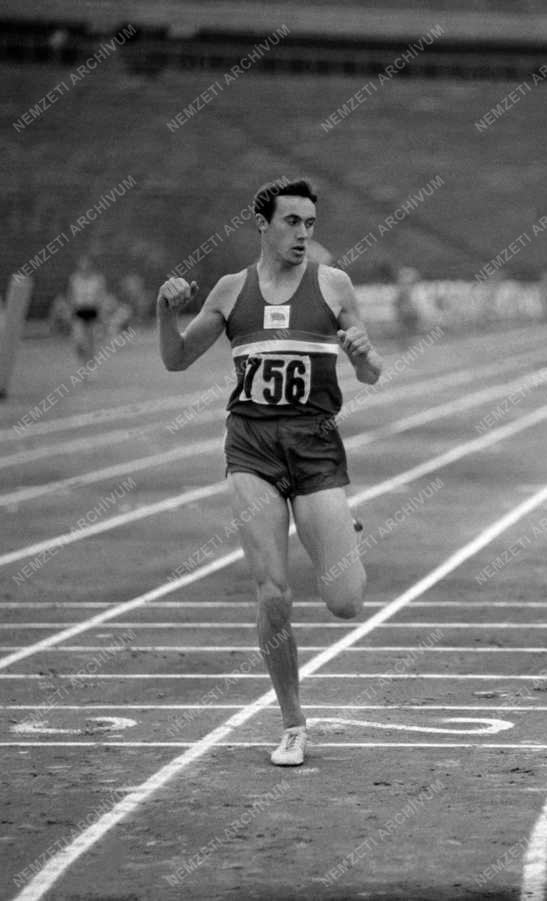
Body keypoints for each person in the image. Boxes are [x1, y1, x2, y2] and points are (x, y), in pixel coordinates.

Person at [157, 178, 383, 766]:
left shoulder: (334, 285)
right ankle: (292, 722)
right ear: (262, 223)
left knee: (346, 602)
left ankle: (338, 525)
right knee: (273, 593)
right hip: (252, 447)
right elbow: (176, 358)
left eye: (310, 223)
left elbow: (373, 373)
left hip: (315, 447)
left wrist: (363, 355)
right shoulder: (232, 291)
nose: (303, 234)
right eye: (292, 222)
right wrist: (163, 311)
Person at [67, 255, 106, 364]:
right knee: (78, 339)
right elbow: (70, 296)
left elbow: (101, 296)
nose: (84, 267)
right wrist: (70, 311)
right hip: (79, 310)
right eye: (82, 264)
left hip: (92, 310)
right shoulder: (74, 279)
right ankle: (81, 359)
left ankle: (90, 363)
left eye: (86, 264)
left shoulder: (98, 279)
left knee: (91, 340)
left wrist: (101, 313)